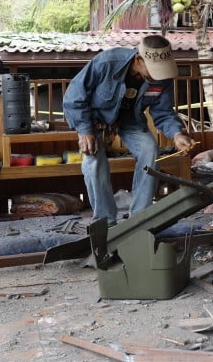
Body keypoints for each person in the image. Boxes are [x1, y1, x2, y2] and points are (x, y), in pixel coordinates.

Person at [63, 35, 195, 225]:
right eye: (153, 69)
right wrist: (85, 131)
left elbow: (163, 111)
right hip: (93, 120)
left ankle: (140, 217)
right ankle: (105, 220)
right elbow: (74, 97)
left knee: (150, 150)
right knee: (93, 160)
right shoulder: (107, 62)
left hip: (130, 120)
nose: (158, 75)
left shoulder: (162, 78)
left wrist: (177, 134)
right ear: (139, 60)